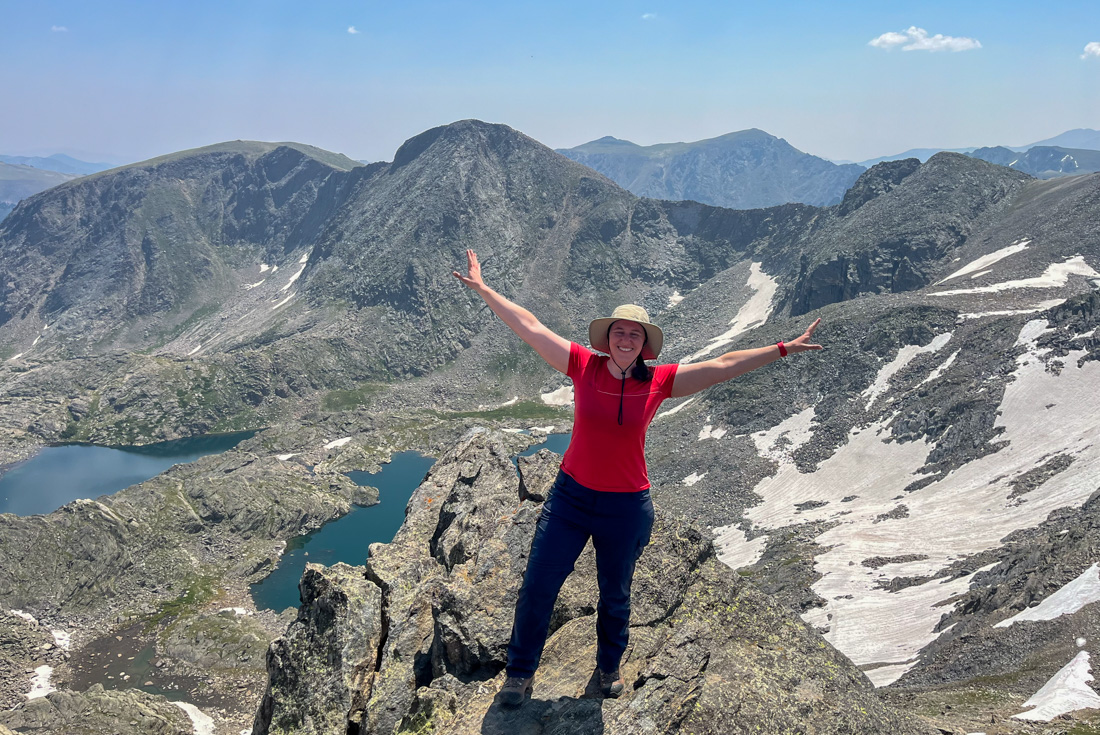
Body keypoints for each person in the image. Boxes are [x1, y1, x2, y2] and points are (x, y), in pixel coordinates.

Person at [452, 249, 822, 706]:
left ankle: (608, 669)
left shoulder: (660, 380)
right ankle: (520, 673)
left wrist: (783, 347)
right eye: (619, 332)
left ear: (644, 343)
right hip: (569, 498)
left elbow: (725, 365)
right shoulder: (582, 366)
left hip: (626, 506)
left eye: (634, 334)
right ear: (607, 338)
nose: (625, 339)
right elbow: (530, 327)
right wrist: (484, 289)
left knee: (615, 596)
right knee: (538, 585)